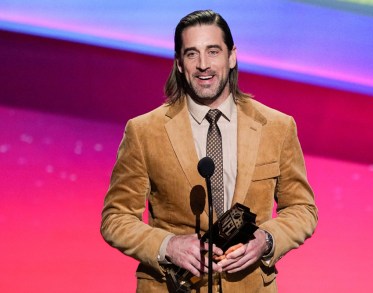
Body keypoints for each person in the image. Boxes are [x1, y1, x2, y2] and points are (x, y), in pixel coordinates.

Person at [101, 9, 318, 293]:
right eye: (192, 54)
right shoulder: (144, 131)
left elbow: (302, 209)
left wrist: (266, 239)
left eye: (213, 51)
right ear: (179, 63)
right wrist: (168, 246)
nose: (203, 65)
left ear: (231, 56)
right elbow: (115, 218)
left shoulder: (276, 127)